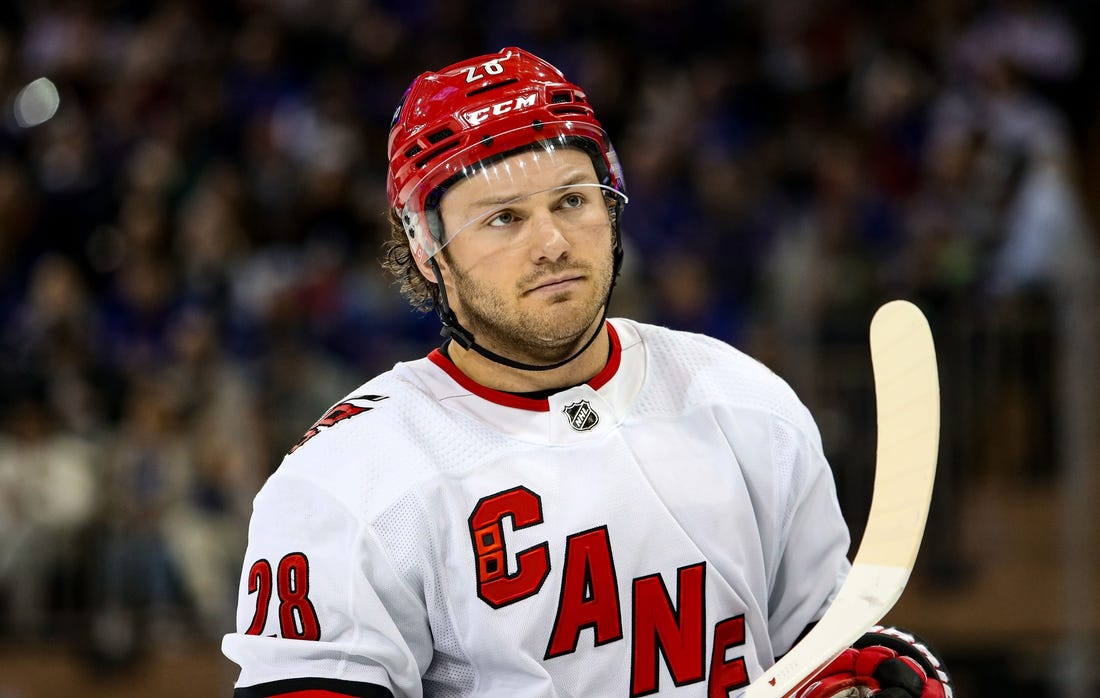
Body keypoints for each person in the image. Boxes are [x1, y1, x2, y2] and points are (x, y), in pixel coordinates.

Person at [222, 47, 952, 698]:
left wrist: (850, 681)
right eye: (503, 217)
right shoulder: (347, 479)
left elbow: (810, 648)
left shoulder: (742, 400)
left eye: (573, 200)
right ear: (428, 251)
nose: (552, 243)